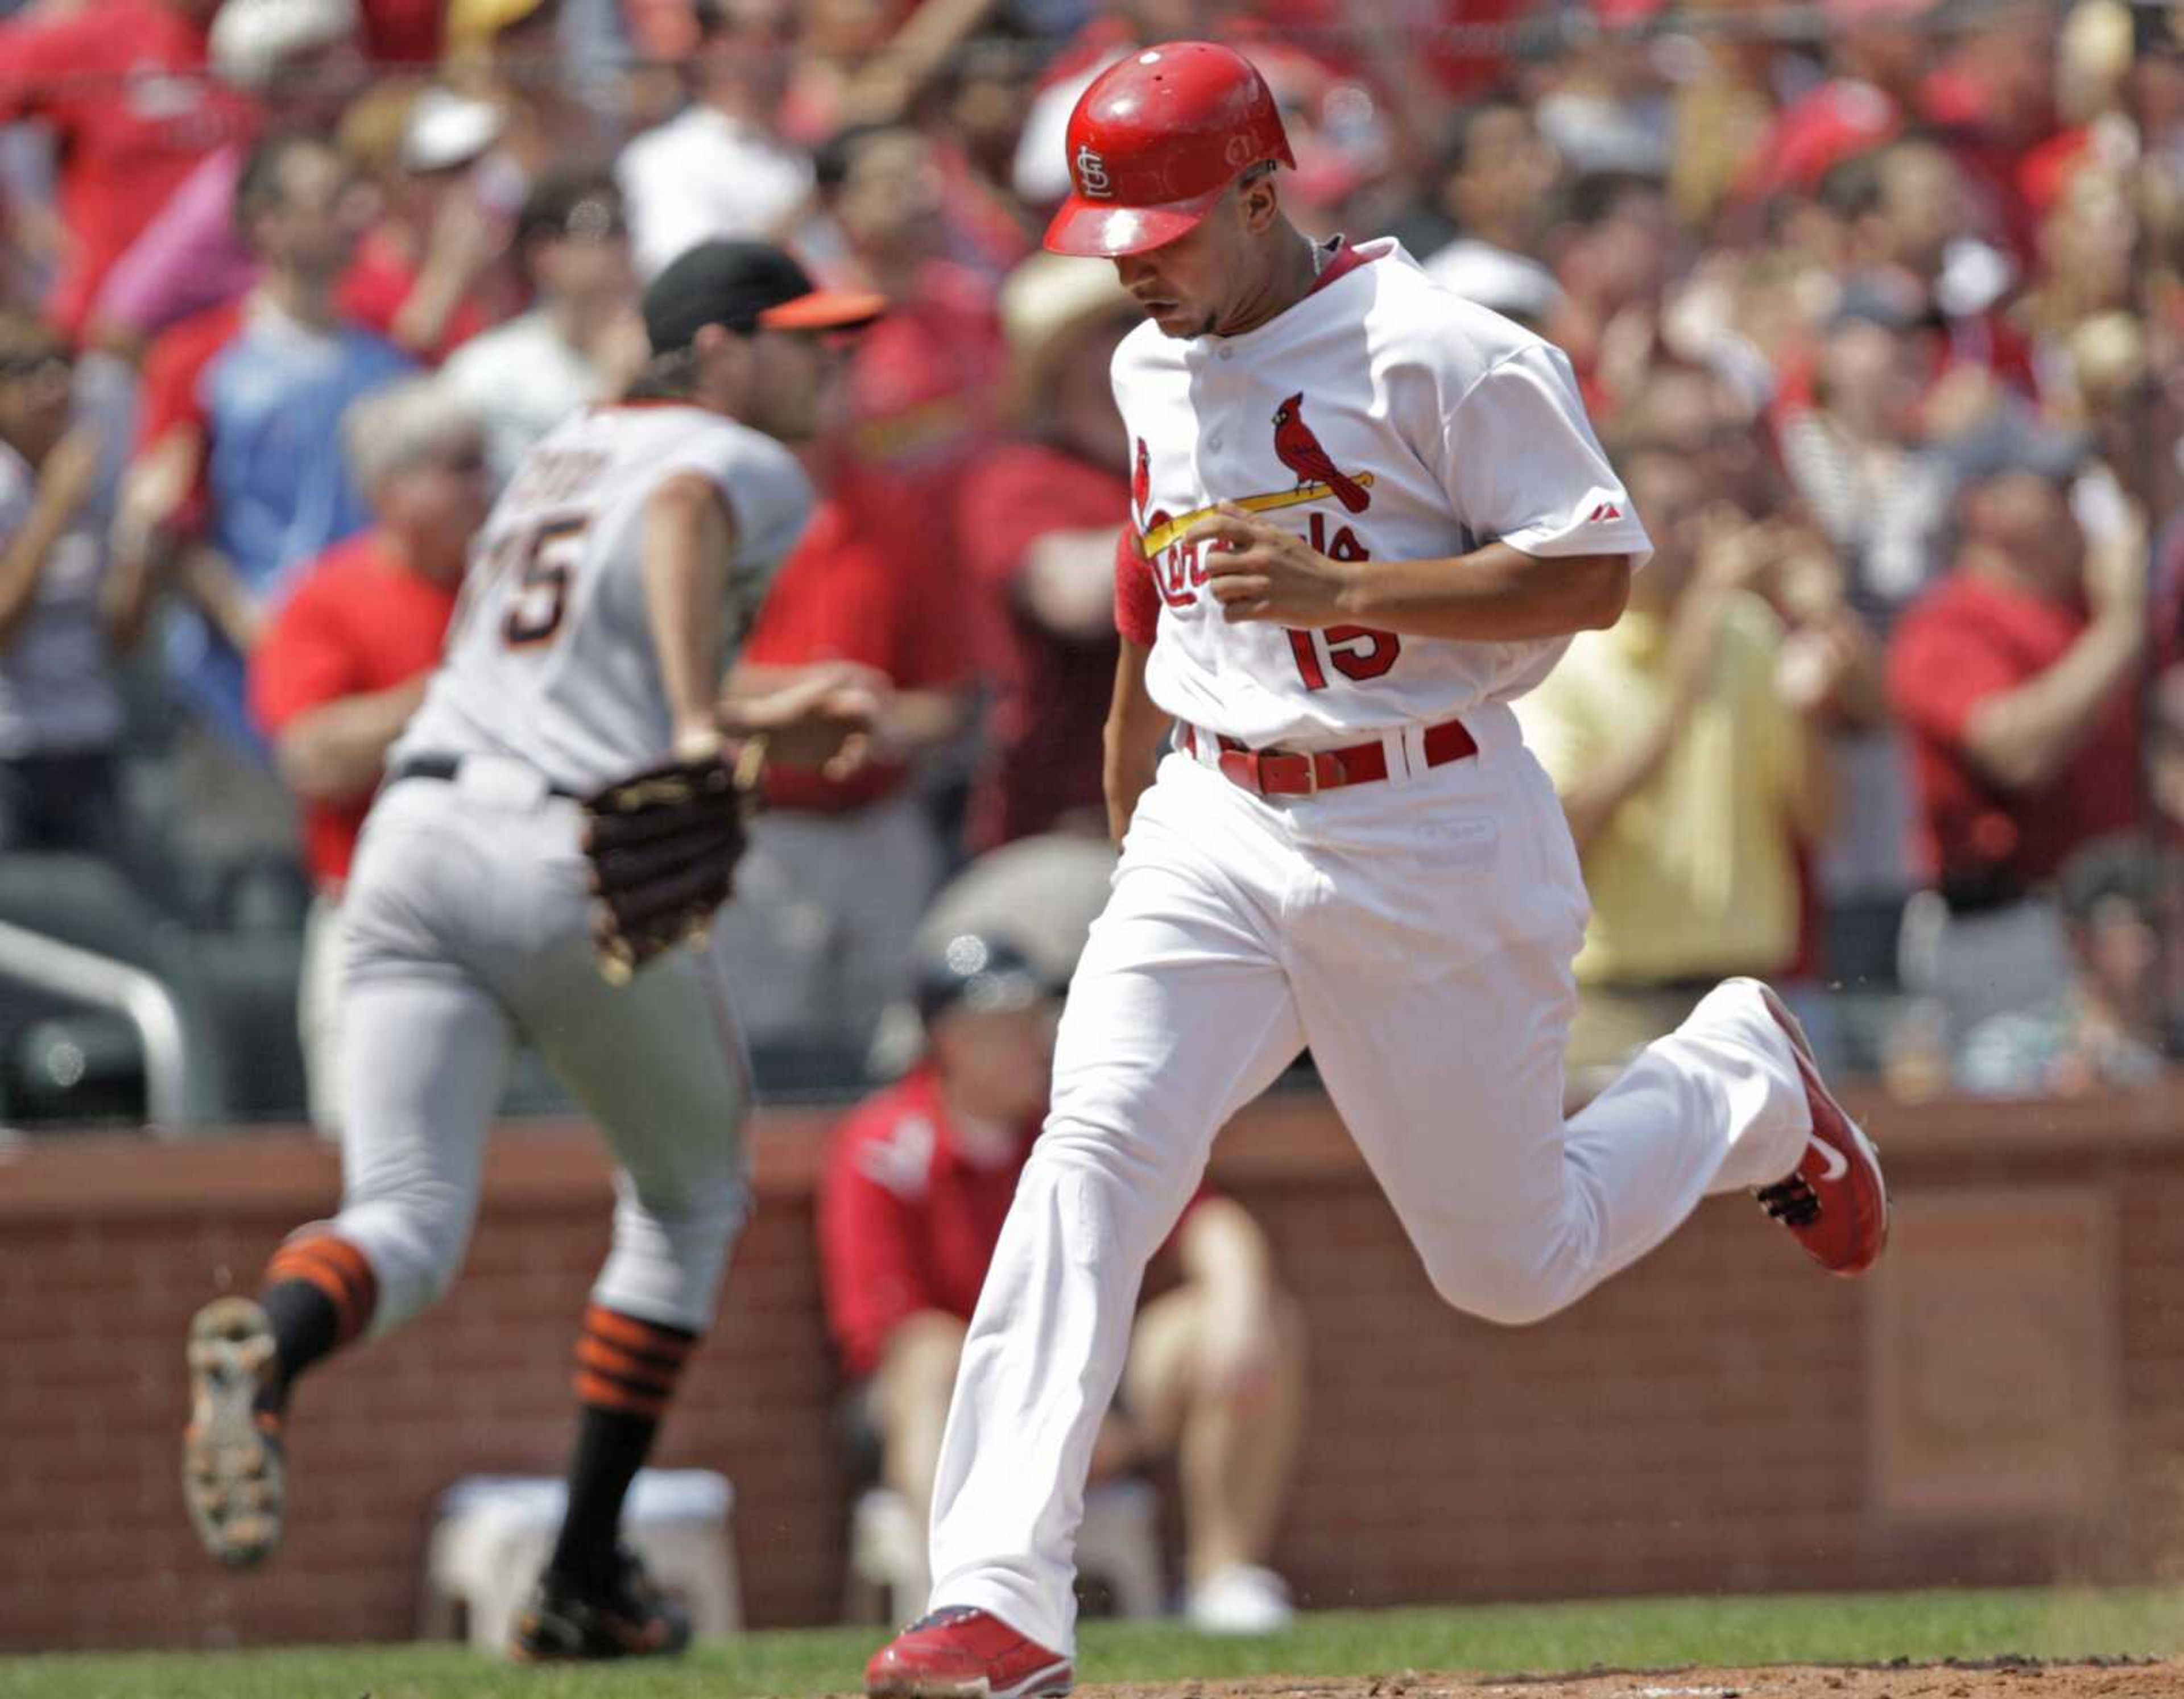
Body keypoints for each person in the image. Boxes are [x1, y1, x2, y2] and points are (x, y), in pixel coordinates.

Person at [866, 45, 1888, 1699]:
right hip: (1214, 815)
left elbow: (1597, 576)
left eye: (1167, 228)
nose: (1131, 261)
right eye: (1112, 234)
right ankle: (999, 1599)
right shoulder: (1146, 364)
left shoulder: (1441, 350)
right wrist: (1136, 766)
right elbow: (1156, 583)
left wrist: (1358, 599)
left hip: (1423, 822)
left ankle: (1741, 1083)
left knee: (1506, 1264)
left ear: (1265, 193)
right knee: (1094, 1152)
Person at [179, 239, 887, 1660]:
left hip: (412, 842)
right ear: (719, 350)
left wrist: (739, 710)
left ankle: (276, 1335)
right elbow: (686, 514)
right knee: (688, 1197)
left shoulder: (562, 449)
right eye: (806, 339)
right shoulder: (730, 455)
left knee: (403, 1217)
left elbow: (585, 659)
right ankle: (577, 1569)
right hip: (563, 853)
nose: (835, 364)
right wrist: (705, 721)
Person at [820, 934, 1306, 1635]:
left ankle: (1223, 1579)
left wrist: (1239, 1299)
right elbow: (882, 1339)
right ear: (947, 1042)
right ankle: (961, 1600)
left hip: (1091, 1385)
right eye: (1002, 1026)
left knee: (1248, 1318)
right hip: (950, 1406)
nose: (1032, 1041)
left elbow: (1209, 1222)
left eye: (1035, 1020)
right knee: (930, 1354)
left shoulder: (1074, 1121)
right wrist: (1046, 1419)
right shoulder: (882, 1145)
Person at [1512, 438, 1831, 1078]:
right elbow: (1562, 832)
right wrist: (1688, 676)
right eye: (1672, 515)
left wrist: (1819, 673)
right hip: (1611, 1006)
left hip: (1746, 996)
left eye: (1704, 514)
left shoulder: (1749, 630)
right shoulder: (1561, 653)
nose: (1696, 538)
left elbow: (1820, 822)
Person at [117, 130, 415, 763]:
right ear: (268, 224)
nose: (359, 213)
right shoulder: (196, 360)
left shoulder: (390, 354)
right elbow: (177, 526)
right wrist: (266, 634)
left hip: (371, 681)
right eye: (333, 199)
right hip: (239, 695)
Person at [246, 378, 490, 1134]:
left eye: (482, 463)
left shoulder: (511, 590)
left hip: (508, 914)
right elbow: (312, 757)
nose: (483, 486)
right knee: (371, 1160)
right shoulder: (327, 597)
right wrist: (448, 693)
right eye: (459, 467)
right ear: (392, 488)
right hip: (380, 919)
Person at [1888, 413, 2146, 1042]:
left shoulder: (2079, 608)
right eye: (2051, 485)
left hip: (2109, 926)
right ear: (1983, 507)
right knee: (2017, 1125)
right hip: (2000, 932)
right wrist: (2120, 629)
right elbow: (2015, 753)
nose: (2073, 504)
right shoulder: (1946, 622)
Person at [958, 252, 1140, 851]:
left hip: (1196, 817)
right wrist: (1204, 516)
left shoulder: (1175, 469)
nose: (1144, 342)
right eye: (1114, 328)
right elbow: (1074, 596)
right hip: (1065, 832)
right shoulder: (1021, 477)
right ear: (1061, 364)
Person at [0, 314, 129, 861]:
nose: (53, 386)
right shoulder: (32, 488)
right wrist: (53, 508)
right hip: (11, 751)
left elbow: (120, 636)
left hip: (87, 742)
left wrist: (144, 547)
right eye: (28, 370)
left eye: (63, 365)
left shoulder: (92, 474)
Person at [441, 171, 646, 486]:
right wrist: (614, 391)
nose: (622, 242)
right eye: (599, 224)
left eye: (625, 224)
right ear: (545, 254)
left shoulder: (666, 358)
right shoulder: (486, 371)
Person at [615, 0, 814, 280]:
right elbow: (687, 279)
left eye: (792, 32)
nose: (788, 51)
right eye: (772, 33)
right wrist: (805, 212)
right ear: (715, 46)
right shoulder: (662, 158)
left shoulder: (802, 154)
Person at [1957, 834, 2168, 1096]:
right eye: (2145, 927)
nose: (2160, 948)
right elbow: (1983, 1090)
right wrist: (2053, 1084)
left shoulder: (2172, 1045)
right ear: (2080, 941)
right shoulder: (2012, 1049)